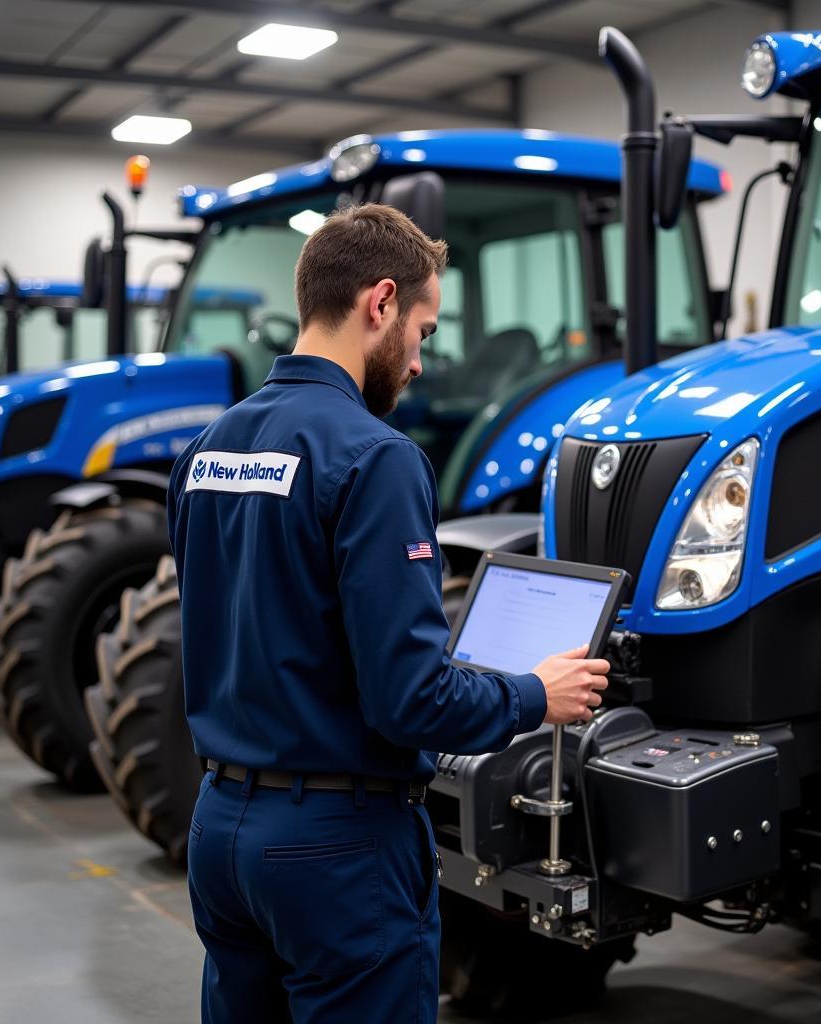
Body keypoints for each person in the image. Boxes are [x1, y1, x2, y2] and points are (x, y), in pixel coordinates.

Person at [167, 202, 610, 1023]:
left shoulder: (207, 452)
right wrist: (533, 694)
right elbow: (411, 700)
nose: (416, 362)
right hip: (335, 849)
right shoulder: (375, 459)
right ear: (380, 304)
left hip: (221, 830)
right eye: (423, 330)